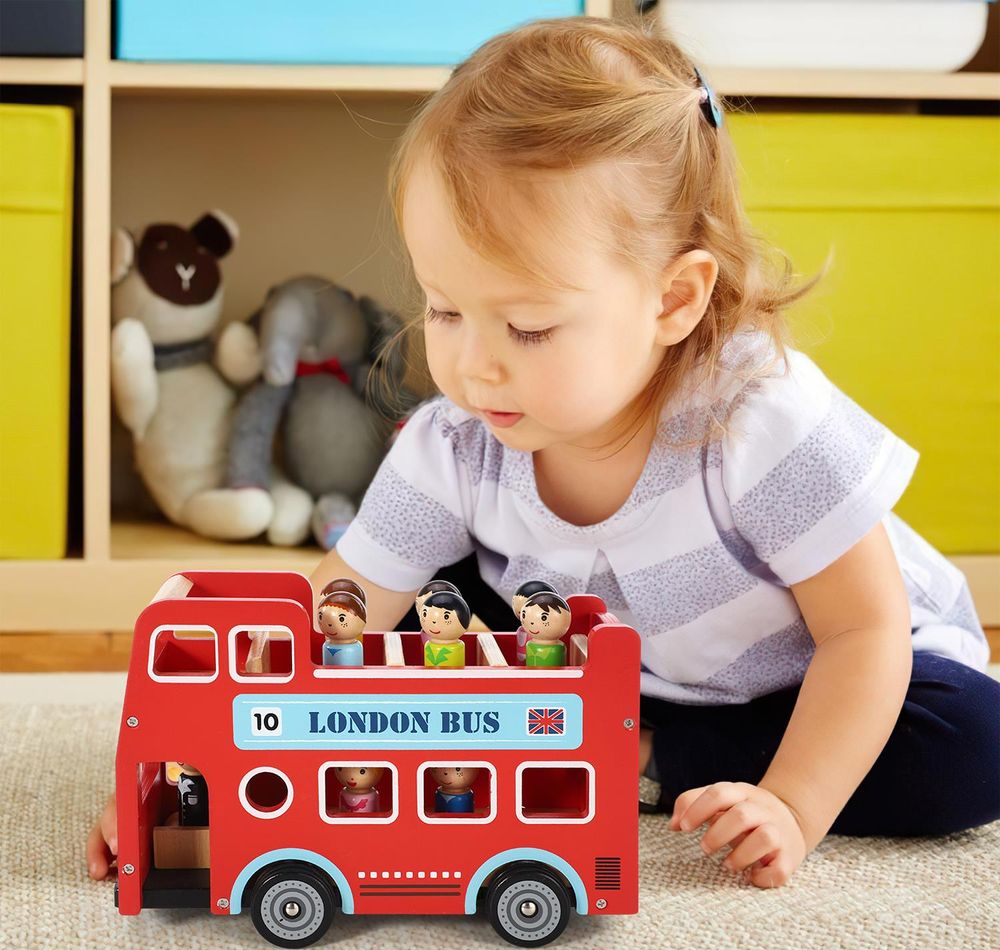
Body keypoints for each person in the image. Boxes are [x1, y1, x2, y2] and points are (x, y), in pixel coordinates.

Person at [88, 17, 998, 888]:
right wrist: (190, 778)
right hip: (621, 664)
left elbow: (863, 635)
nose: (471, 366)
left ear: (673, 301)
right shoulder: (455, 440)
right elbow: (328, 623)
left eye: (527, 326)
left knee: (974, 747)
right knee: (389, 623)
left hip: (830, 676)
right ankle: (598, 736)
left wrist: (794, 804)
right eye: (445, 309)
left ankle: (638, 756)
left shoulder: (758, 418)